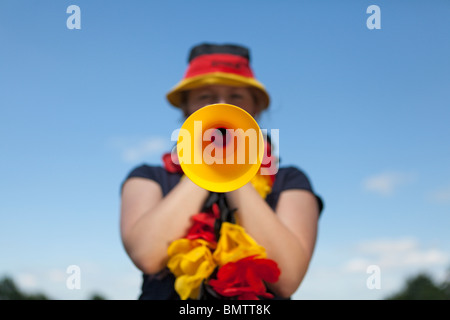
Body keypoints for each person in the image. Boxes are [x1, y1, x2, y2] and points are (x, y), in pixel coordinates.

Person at [120, 43, 324, 300]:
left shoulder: (289, 179)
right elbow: (147, 254)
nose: (221, 105)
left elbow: (288, 278)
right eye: (206, 97)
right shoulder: (148, 176)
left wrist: (234, 169)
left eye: (236, 97)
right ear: (186, 109)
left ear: (256, 108)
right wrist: (206, 166)